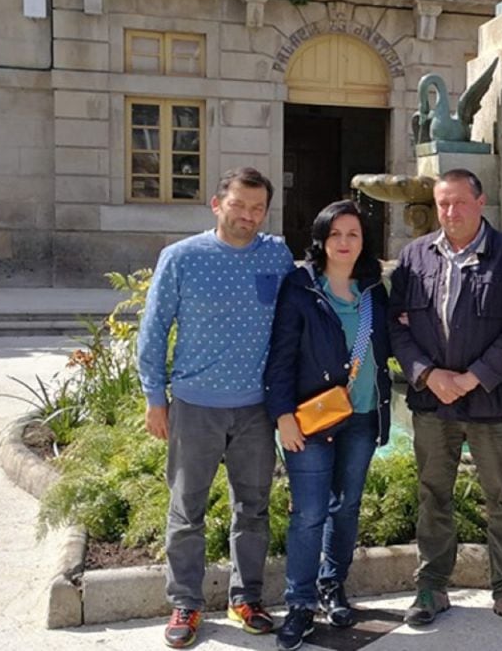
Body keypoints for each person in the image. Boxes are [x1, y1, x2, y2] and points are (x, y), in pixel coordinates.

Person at [137, 167, 294, 648]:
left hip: (255, 410)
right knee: (187, 509)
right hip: (194, 407)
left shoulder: (277, 255)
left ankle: (246, 597)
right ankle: (185, 602)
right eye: (239, 205)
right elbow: (154, 329)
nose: (248, 215)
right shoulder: (181, 258)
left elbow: (293, 325)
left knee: (254, 509)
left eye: (257, 208)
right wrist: (154, 398)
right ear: (216, 204)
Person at [388, 168, 502, 633]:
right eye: (442, 204)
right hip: (434, 403)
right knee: (434, 495)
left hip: (493, 403)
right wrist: (429, 375)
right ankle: (431, 585)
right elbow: (396, 327)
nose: (450, 212)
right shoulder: (414, 257)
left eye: (458, 202)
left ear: (480, 202)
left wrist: (473, 378)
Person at [264, 200, 392, 651]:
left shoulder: (375, 289)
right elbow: (280, 356)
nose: (344, 242)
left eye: (353, 234)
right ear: (321, 240)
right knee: (309, 513)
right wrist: (282, 416)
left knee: (348, 507)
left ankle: (331, 585)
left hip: (361, 416)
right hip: (310, 420)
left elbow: (390, 342)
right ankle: (298, 605)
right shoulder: (300, 287)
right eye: (335, 234)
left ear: (363, 241)